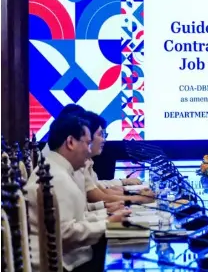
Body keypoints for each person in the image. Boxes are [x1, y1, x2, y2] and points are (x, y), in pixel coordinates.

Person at [24, 114, 130, 272]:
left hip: (73, 258)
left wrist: (108, 215)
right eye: (87, 143)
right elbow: (66, 234)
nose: (88, 151)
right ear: (71, 142)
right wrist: (108, 223)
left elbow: (79, 217)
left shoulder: (58, 169)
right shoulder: (55, 176)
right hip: (65, 265)